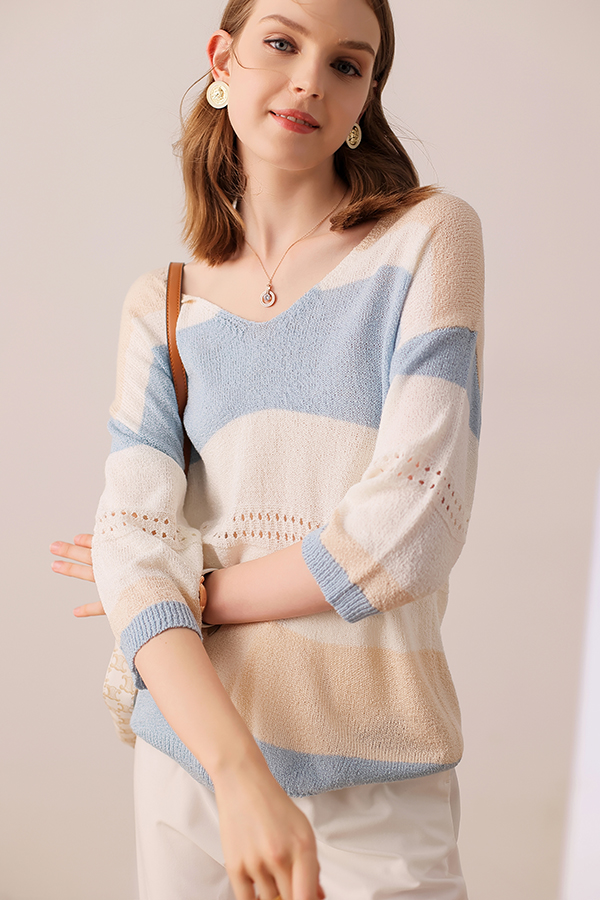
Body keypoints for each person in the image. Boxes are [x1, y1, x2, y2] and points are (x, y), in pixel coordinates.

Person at [50, 0, 484, 897]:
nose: (309, 81)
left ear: (366, 95)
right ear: (222, 59)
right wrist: (237, 773)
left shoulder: (428, 238)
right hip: (192, 767)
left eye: (347, 64)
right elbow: (131, 542)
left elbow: (413, 525)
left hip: (373, 778)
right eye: (282, 43)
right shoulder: (162, 304)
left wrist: (181, 591)